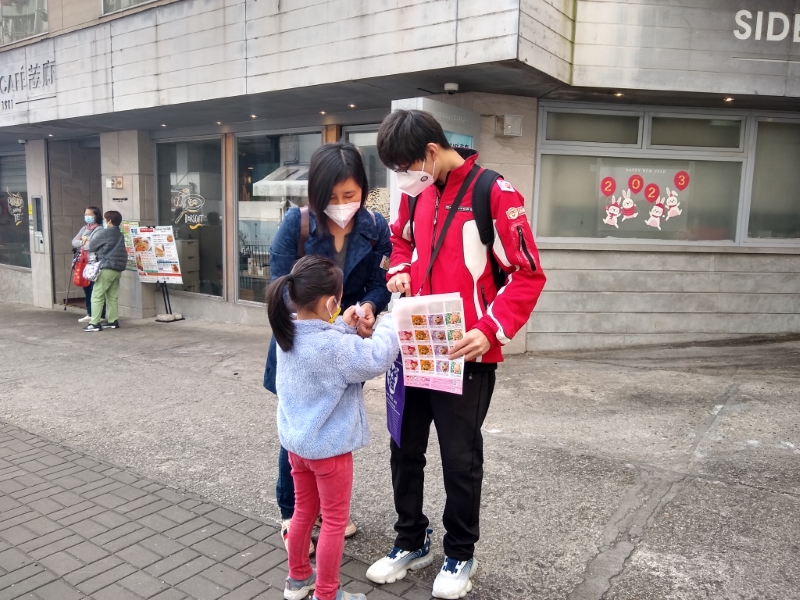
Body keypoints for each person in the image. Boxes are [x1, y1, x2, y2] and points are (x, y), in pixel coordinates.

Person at [365, 110, 547, 598]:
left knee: (459, 459)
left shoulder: (494, 193)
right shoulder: (416, 192)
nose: (403, 179)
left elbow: (528, 273)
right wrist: (399, 272)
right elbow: (399, 242)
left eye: (405, 167)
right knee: (404, 449)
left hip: (467, 353)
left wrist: (490, 329)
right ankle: (411, 539)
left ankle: (460, 552)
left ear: (430, 152)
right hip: (415, 346)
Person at [263, 142, 393, 552]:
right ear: (315, 194)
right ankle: (294, 514)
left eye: (349, 195)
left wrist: (369, 307)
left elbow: (380, 283)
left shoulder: (376, 227)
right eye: (330, 197)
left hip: (343, 345)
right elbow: (281, 284)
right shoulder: (297, 223)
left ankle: (325, 509)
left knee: (333, 425)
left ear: (363, 190)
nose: (340, 205)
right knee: (299, 431)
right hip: (301, 343)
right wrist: (329, 320)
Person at [266, 255, 399, 600]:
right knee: (335, 522)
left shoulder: (287, 330)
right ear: (330, 303)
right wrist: (391, 322)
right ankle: (327, 594)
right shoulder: (335, 348)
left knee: (302, 513)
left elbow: (324, 336)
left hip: (297, 447)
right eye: (338, 302)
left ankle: (297, 580)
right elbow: (376, 358)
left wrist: (344, 322)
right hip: (329, 451)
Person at [83, 210, 128, 332]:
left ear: (109, 221)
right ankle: (113, 321)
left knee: (97, 296)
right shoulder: (120, 234)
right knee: (112, 297)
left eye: (104, 219)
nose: (103, 221)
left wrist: (86, 240)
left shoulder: (106, 232)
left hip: (107, 267)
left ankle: (94, 323)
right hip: (117, 269)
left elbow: (92, 246)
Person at [72, 206, 106, 324]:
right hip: (83, 262)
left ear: (96, 216)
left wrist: (83, 241)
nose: (87, 217)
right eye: (85, 214)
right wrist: (84, 241)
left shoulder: (99, 230)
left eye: (89, 214)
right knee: (86, 288)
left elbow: (92, 246)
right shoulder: (84, 228)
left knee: (95, 290)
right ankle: (90, 313)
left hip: (94, 263)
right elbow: (74, 242)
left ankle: (100, 315)